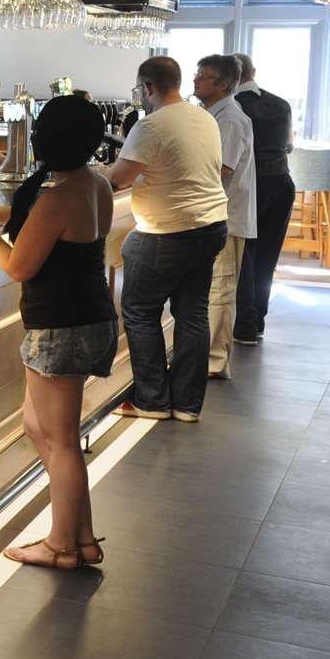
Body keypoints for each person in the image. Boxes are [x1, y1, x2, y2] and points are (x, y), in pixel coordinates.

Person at [0, 96, 116, 570]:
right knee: (37, 425)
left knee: (62, 440)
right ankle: (80, 538)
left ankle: (61, 546)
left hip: (59, 325)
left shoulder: (54, 198)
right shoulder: (95, 185)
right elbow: (60, 235)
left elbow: (18, 265)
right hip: (92, 314)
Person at [104, 56, 228, 421]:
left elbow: (118, 179)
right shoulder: (204, 116)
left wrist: (99, 172)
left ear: (147, 88)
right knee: (192, 314)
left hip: (167, 231)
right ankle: (187, 405)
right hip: (210, 225)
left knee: (140, 312)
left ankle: (152, 400)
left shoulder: (151, 125)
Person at [194, 55, 255, 379]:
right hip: (213, 214)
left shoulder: (229, 119)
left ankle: (215, 361)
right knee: (212, 288)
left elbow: (222, 169)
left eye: (203, 76)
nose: (195, 80)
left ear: (223, 84)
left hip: (226, 216)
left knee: (221, 288)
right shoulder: (211, 115)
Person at [231, 54, 295, 343]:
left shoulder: (233, 108)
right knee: (268, 256)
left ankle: (243, 323)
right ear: (253, 72)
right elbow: (289, 146)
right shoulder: (281, 104)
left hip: (252, 185)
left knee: (245, 253)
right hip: (282, 182)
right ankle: (258, 321)